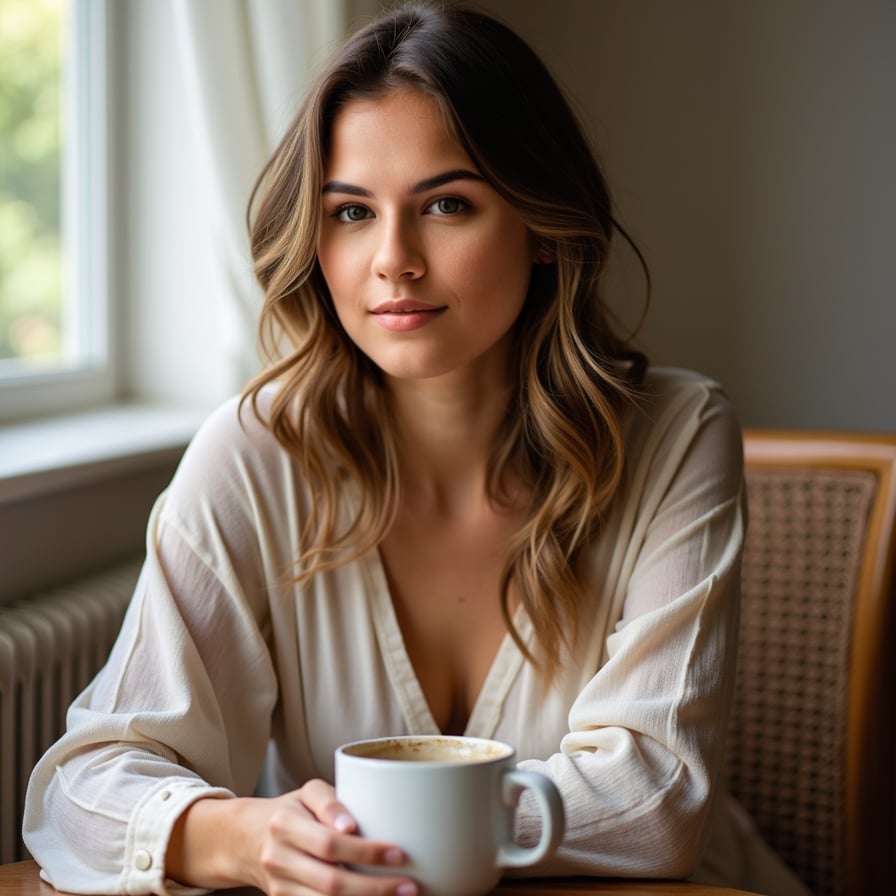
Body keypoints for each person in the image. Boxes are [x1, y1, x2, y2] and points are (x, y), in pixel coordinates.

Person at [23, 4, 808, 896]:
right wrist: (242, 836)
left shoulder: (678, 436)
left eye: (446, 204)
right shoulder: (257, 453)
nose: (392, 260)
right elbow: (79, 790)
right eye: (352, 212)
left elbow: (655, 804)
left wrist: (376, 832)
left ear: (545, 224)